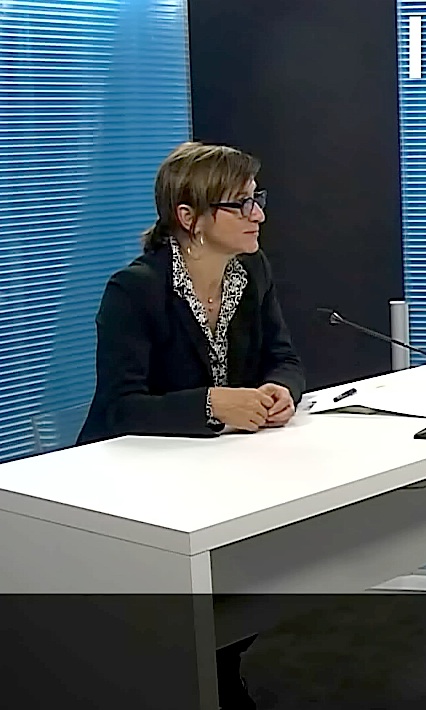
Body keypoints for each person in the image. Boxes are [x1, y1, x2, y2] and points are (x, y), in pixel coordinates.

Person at [77, 140, 305, 709]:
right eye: (242, 204)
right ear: (189, 217)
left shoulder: (251, 272)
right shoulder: (134, 290)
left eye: (258, 199)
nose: (258, 215)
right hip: (132, 483)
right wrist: (211, 404)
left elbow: (284, 358)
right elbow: (120, 407)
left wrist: (282, 390)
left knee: (251, 588)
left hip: (214, 470)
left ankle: (219, 669)